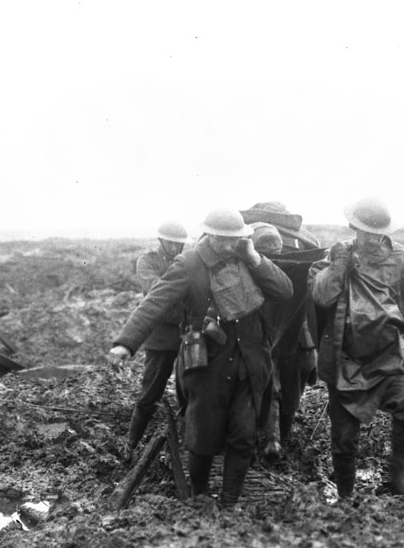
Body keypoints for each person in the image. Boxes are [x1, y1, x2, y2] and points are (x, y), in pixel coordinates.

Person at [108, 208, 293, 507]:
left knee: (244, 436)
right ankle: (200, 497)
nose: (229, 245)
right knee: (202, 437)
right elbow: (155, 302)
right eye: (224, 239)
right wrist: (126, 344)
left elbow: (285, 291)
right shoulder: (190, 263)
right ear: (211, 235)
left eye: (235, 239)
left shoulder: (249, 257)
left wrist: (255, 258)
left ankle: (229, 503)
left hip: (249, 361)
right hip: (208, 363)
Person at [309, 196, 404, 498]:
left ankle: (399, 474)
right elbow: (321, 296)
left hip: (392, 356)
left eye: (379, 232)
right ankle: (346, 496)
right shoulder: (336, 256)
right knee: (344, 437)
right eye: (367, 232)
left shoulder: (400, 257)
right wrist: (339, 266)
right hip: (347, 361)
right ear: (354, 228)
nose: (374, 239)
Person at [240, 204, 322, 461]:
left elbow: (309, 302)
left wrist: (308, 342)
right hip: (261, 331)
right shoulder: (302, 246)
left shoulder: (303, 252)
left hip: (289, 334)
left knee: (283, 389)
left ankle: (273, 439)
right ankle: (267, 439)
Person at [122, 220, 190, 459]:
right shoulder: (147, 261)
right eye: (170, 242)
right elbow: (157, 292)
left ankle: (185, 448)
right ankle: (130, 445)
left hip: (187, 335)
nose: (174, 246)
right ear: (161, 241)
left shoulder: (188, 260)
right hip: (161, 337)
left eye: (178, 243)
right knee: (150, 394)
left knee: (190, 393)